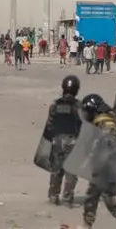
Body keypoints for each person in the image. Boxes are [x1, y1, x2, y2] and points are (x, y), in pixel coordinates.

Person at [79, 94, 116, 228]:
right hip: (103, 168)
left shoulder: (106, 123)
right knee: (93, 199)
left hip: (106, 169)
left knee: (109, 201)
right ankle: (88, 225)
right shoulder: (102, 121)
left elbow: (109, 143)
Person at [45, 75, 82, 206]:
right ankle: (67, 197)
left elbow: (50, 125)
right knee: (71, 172)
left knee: (56, 169)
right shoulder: (78, 106)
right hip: (72, 141)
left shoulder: (55, 105)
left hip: (57, 140)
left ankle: (54, 195)